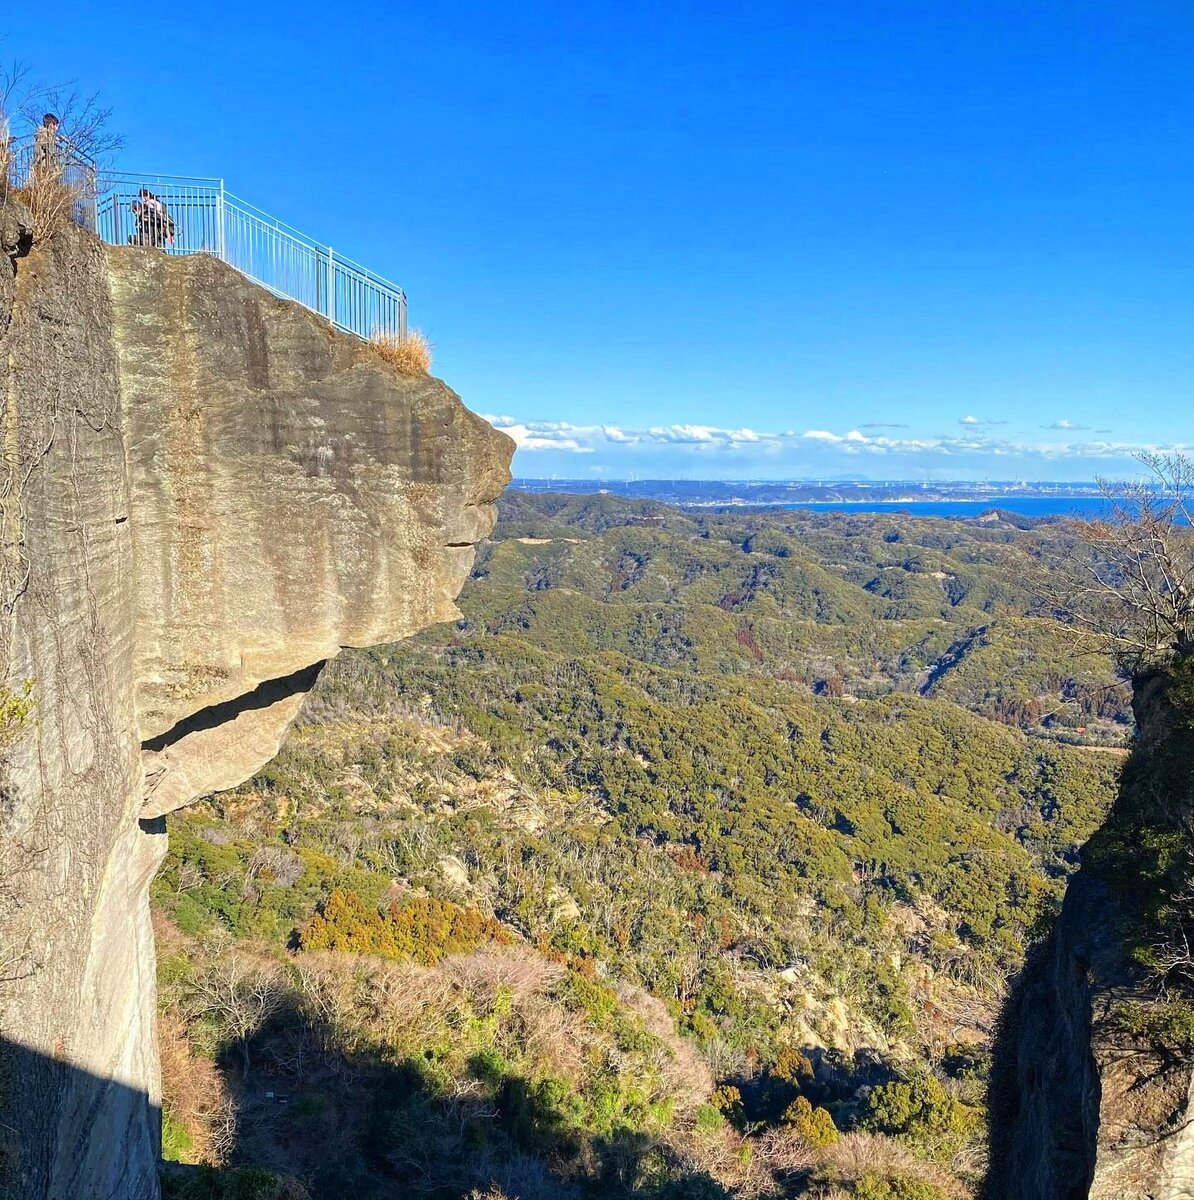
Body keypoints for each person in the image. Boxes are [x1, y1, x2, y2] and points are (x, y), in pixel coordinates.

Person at [31, 113, 61, 183]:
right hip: (44, 163)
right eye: (55, 124)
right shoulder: (45, 133)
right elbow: (45, 144)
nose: (56, 128)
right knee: (45, 182)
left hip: (48, 163)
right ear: (51, 124)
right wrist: (56, 140)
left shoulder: (48, 134)